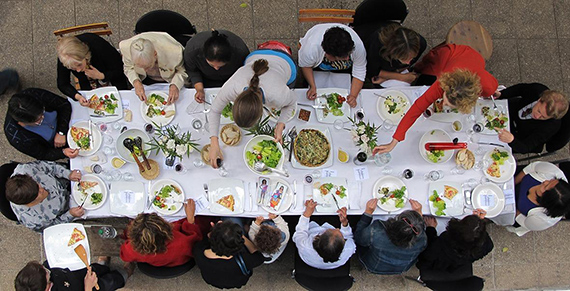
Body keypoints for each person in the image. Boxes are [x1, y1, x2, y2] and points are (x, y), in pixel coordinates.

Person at [374, 44, 498, 155]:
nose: (442, 104)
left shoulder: (489, 87)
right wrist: (394, 141)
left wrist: (493, 93)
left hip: (473, 61)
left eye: (448, 105)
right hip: (453, 54)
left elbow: (492, 88)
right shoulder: (443, 83)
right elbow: (418, 107)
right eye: (444, 100)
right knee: (428, 66)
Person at [207, 47, 297, 167]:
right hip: (254, 57)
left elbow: (291, 102)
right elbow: (214, 111)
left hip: (284, 62)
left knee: (292, 82)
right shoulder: (232, 88)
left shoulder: (277, 95)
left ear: (262, 110)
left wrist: (280, 124)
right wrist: (214, 143)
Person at [299, 24, 366, 107]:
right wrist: (312, 86)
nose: (348, 58)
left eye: (348, 54)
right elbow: (306, 66)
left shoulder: (357, 46)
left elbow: (360, 70)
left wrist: (353, 95)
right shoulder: (310, 49)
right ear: (328, 55)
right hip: (318, 67)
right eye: (343, 57)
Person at [5, 161, 84, 232]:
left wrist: (68, 174)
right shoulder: (34, 221)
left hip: (65, 179)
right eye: (38, 193)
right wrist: (70, 215)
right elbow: (53, 228)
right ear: (29, 203)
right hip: (69, 207)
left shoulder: (26, 170)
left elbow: (49, 166)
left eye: (38, 185)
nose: (42, 189)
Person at [120, 199, 202, 267]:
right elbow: (196, 239)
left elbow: (124, 255)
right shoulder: (182, 243)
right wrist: (191, 219)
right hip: (178, 259)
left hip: (160, 262)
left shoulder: (132, 249)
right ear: (165, 228)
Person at [354, 199, 427, 274]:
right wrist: (418, 215)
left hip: (374, 267)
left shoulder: (376, 231)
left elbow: (358, 238)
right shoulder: (422, 239)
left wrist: (368, 212)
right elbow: (416, 229)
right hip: (402, 269)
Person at [4, 88, 79, 160]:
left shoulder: (32, 95)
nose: (43, 118)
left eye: (43, 112)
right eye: (38, 121)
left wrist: (61, 131)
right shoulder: (18, 139)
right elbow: (44, 154)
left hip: (70, 120)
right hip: (61, 145)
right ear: (21, 123)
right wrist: (63, 152)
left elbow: (64, 105)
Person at [494, 83, 569, 153]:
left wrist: (512, 140)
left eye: (543, 117)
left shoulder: (550, 127)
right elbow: (520, 89)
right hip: (514, 109)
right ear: (539, 100)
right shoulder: (536, 90)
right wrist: (502, 94)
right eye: (539, 111)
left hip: (520, 136)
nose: (537, 116)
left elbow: (526, 147)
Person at [56, 33, 128, 105]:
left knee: (122, 103)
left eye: (79, 65)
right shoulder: (65, 57)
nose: (78, 70)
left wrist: (101, 76)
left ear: (85, 56)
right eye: (73, 68)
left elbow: (120, 69)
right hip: (86, 82)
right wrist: (78, 96)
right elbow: (62, 84)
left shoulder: (99, 46)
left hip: (111, 76)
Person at [416, 210, 493, 275]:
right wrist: (478, 223)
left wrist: (431, 228)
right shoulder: (486, 245)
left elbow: (423, 260)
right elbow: (478, 236)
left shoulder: (442, 243)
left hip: (438, 267)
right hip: (455, 266)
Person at [119, 31, 187, 104]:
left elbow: (182, 71)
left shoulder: (175, 52)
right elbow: (128, 68)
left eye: (148, 66)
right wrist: (136, 81)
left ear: (155, 54)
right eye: (140, 66)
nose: (145, 70)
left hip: (169, 78)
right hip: (145, 79)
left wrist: (175, 85)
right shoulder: (127, 49)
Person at [193, 220, 265, 288]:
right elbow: (259, 256)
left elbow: (205, 240)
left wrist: (216, 231)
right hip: (237, 282)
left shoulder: (199, 251)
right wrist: (242, 237)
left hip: (210, 280)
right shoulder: (244, 260)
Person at [184, 29, 250, 102]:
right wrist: (199, 89)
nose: (216, 69)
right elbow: (192, 70)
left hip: (232, 79)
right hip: (205, 80)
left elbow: (245, 72)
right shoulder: (192, 51)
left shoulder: (241, 52)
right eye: (212, 65)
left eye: (220, 66)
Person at [507, 161, 570, 236]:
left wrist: (509, 206)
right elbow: (532, 167)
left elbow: (524, 222)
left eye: (546, 187)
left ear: (546, 201)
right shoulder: (553, 172)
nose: (545, 181)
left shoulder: (542, 220)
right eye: (551, 181)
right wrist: (511, 184)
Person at [292, 199, 356, 269]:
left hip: (311, 228)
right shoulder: (349, 247)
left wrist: (307, 213)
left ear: (318, 237)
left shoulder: (305, 245)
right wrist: (344, 223)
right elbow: (349, 236)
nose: (338, 229)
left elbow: (299, 232)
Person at [361, 23, 427, 86]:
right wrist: (401, 77)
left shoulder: (421, 44)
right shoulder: (377, 46)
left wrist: (387, 77)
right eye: (403, 59)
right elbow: (371, 70)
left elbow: (407, 66)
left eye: (412, 58)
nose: (408, 63)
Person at [15, 259, 126, 291]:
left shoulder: (42, 271)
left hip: (78, 273)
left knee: (96, 268)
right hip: (87, 287)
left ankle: (103, 266)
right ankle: (125, 273)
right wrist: (88, 286)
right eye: (46, 272)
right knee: (110, 282)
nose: (46, 268)